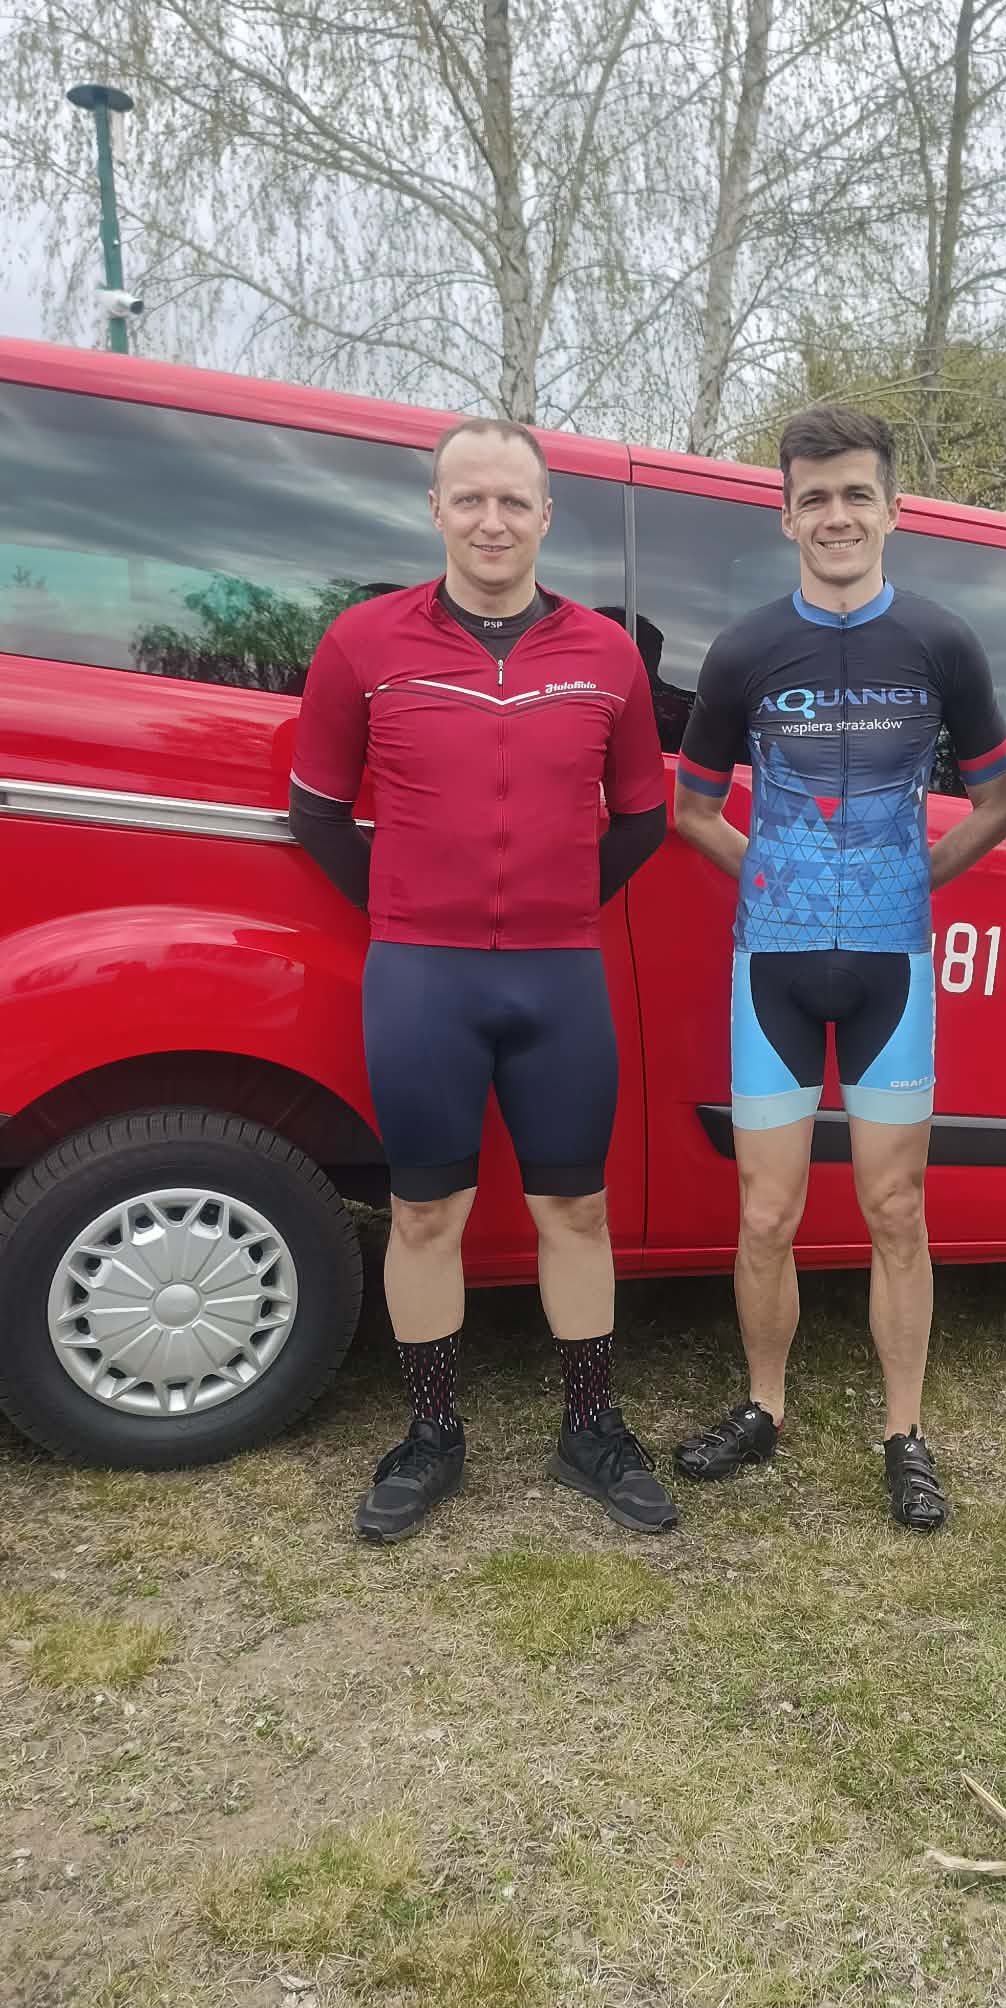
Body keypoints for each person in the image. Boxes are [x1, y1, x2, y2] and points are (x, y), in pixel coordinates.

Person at [289, 418, 677, 1542]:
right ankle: (431, 1434)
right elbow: (318, 811)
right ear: (436, 511)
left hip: (560, 974)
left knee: (578, 1205)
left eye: (514, 501)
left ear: (547, 515)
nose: (492, 521)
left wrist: (556, 901)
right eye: (470, 500)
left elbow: (644, 815)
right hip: (423, 976)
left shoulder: (605, 653)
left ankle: (590, 1426)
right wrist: (408, 908)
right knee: (424, 1212)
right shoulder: (364, 642)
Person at [669, 405, 1006, 1527]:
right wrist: (772, 873)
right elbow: (690, 808)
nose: (836, 515)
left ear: (892, 508)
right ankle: (764, 1405)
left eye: (855, 494)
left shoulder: (940, 642)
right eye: (813, 497)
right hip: (771, 964)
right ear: (786, 516)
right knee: (765, 1213)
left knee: (895, 1206)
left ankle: (905, 1430)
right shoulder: (743, 650)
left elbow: (1000, 799)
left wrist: (914, 878)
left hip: (891, 968)